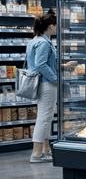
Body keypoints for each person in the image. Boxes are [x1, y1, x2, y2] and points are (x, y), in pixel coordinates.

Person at [26, 10, 58, 162]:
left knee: (46, 117)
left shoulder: (35, 40)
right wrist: (55, 79)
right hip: (46, 84)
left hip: (41, 83)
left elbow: (43, 63)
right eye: (57, 26)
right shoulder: (44, 43)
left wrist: (62, 66)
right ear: (51, 26)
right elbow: (40, 64)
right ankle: (36, 154)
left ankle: (46, 149)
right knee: (44, 118)